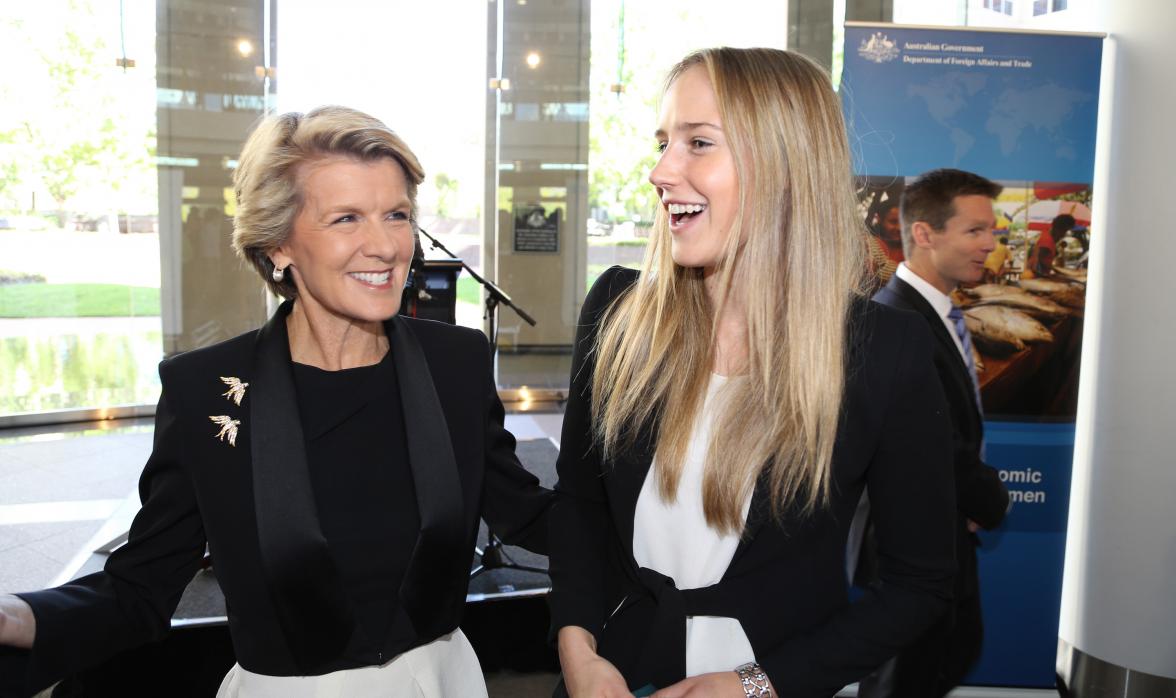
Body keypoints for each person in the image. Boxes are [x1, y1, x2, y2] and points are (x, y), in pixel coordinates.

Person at [0, 106, 552, 697]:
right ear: (278, 245)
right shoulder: (205, 390)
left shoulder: (455, 364)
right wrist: (17, 617)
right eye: (346, 218)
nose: (386, 245)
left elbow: (526, 512)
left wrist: (647, 508)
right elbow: (141, 587)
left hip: (442, 682)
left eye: (397, 214)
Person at [548, 47, 956, 698]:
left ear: (785, 166)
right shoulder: (618, 310)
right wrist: (578, 653)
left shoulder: (883, 351)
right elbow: (579, 507)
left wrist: (757, 686)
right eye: (663, 143)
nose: (660, 171)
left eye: (698, 144)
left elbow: (921, 585)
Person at [862, 168, 1011, 698]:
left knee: (946, 659)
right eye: (975, 231)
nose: (990, 245)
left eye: (991, 232)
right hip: (910, 549)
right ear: (924, 234)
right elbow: (930, 441)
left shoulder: (937, 311)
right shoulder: (894, 320)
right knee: (905, 680)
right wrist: (990, 498)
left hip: (941, 533)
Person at [1023, 213, 1074, 279]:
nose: (1064, 235)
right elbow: (1038, 263)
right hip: (1034, 278)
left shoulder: (1048, 236)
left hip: (1037, 277)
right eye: (1064, 231)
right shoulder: (1046, 241)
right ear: (1058, 228)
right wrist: (1058, 272)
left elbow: (1047, 256)